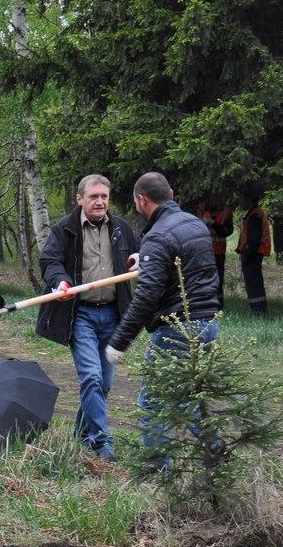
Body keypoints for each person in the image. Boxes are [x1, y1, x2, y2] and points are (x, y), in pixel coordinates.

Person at [105, 172, 221, 459]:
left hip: (176, 327)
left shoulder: (158, 235)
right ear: (170, 193)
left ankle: (158, 471)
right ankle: (216, 449)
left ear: (142, 200)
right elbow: (185, 270)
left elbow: (146, 296)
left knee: (153, 404)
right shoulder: (194, 224)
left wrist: (119, 342)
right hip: (208, 323)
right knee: (186, 398)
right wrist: (144, 258)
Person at [36, 174, 141, 462]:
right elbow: (50, 261)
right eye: (93, 196)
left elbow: (139, 252)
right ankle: (100, 442)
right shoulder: (65, 229)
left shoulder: (121, 228)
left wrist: (139, 260)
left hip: (113, 314)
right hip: (79, 314)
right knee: (92, 378)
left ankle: (81, 433)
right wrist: (59, 281)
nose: (99, 202)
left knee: (104, 384)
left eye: (104, 197)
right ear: (80, 199)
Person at [237, 193, 271, 314]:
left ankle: (259, 310)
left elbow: (254, 239)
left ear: (249, 200)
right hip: (253, 254)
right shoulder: (254, 213)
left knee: (254, 283)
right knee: (254, 283)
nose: (242, 202)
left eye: (244, 199)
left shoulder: (255, 215)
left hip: (253, 255)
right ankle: (258, 309)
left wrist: (246, 254)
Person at [199, 198, 234, 307]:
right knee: (203, 279)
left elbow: (226, 231)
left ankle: (218, 305)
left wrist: (213, 223)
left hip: (218, 251)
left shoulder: (226, 212)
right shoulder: (199, 209)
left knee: (218, 279)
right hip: (203, 251)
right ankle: (204, 304)